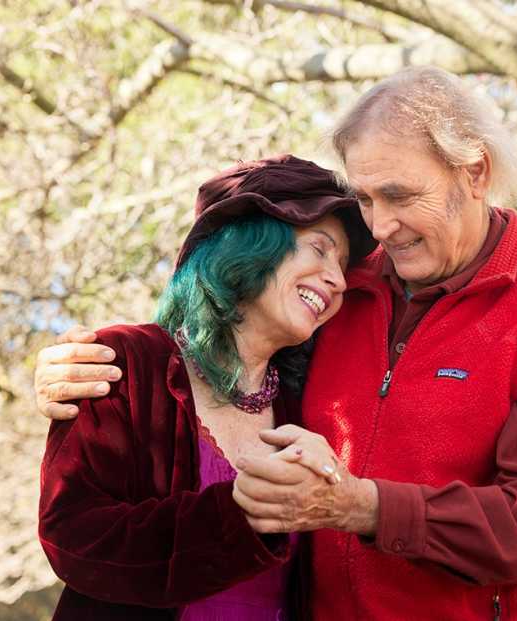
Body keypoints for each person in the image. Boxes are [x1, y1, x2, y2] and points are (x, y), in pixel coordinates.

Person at [35, 67, 517, 620]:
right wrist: (79, 369)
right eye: (365, 199)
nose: (380, 226)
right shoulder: (343, 289)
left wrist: (360, 506)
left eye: (399, 195)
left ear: (474, 173)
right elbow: (218, 343)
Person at [36, 154, 377, 620]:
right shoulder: (123, 362)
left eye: (342, 264)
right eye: (320, 249)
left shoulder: (308, 402)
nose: (337, 280)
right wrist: (241, 516)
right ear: (250, 243)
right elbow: (73, 536)